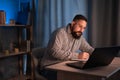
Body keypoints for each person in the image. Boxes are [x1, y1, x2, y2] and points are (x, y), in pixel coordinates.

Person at [39, 14, 94, 80]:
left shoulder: (79, 36)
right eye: (80, 26)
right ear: (73, 23)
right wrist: (78, 56)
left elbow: (88, 49)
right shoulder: (60, 33)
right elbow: (54, 52)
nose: (81, 30)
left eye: (84, 28)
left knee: (85, 76)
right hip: (48, 68)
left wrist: (99, 55)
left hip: (64, 66)